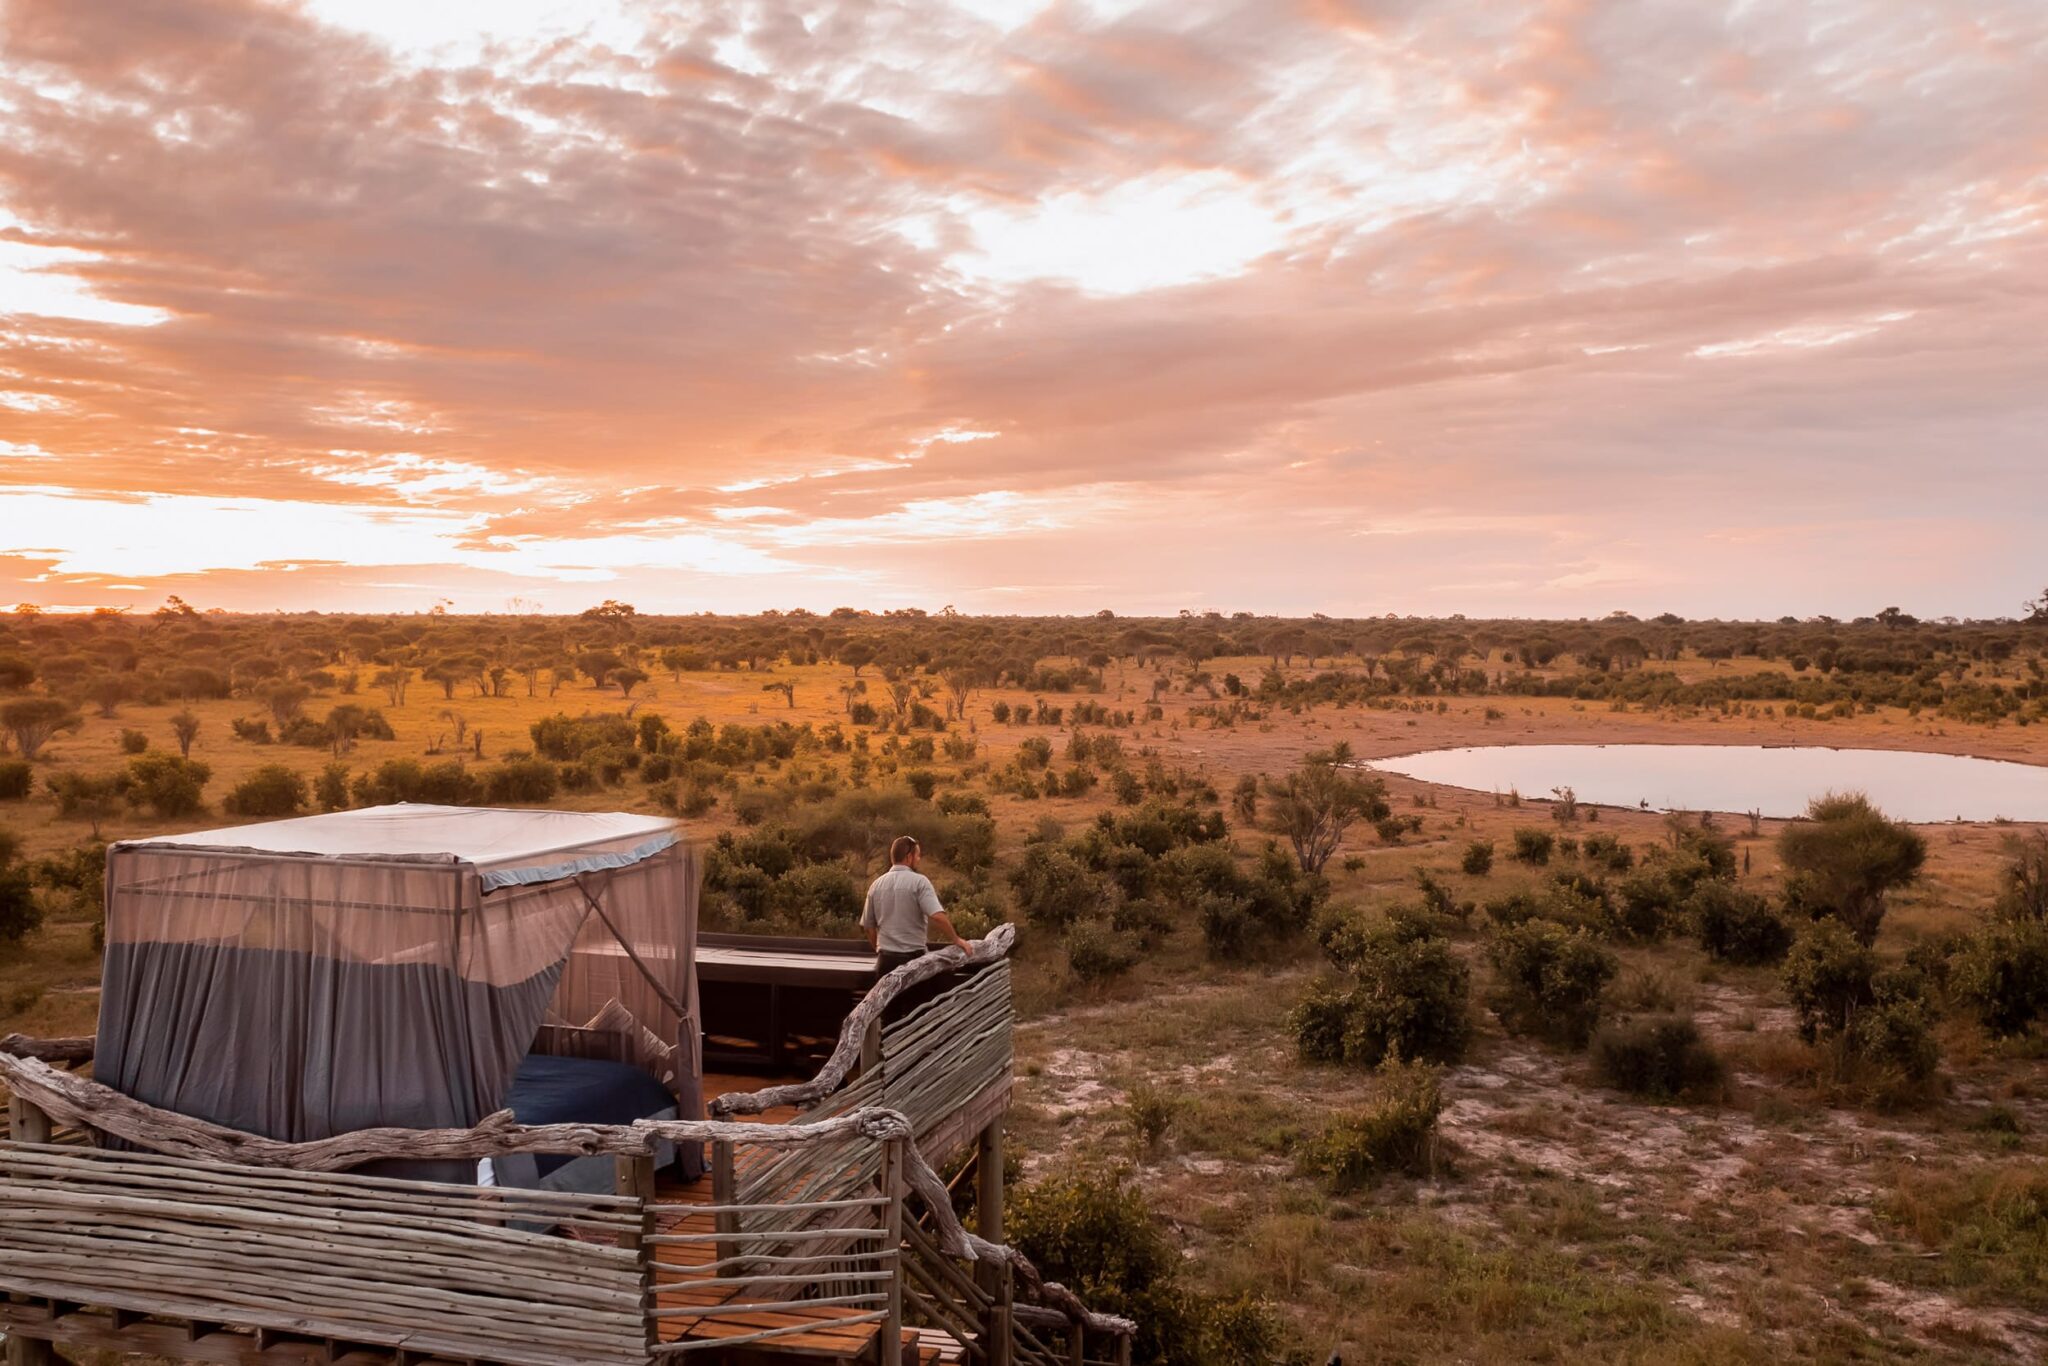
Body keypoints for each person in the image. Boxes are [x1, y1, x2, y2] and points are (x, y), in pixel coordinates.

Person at [861, 836, 971, 979]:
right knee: (917, 1001)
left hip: (885, 962)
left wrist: (879, 947)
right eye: (917, 856)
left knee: (889, 1001)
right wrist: (956, 939)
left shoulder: (876, 885)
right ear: (909, 857)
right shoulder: (919, 882)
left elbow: (868, 927)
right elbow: (937, 916)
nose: (919, 859)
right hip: (913, 961)